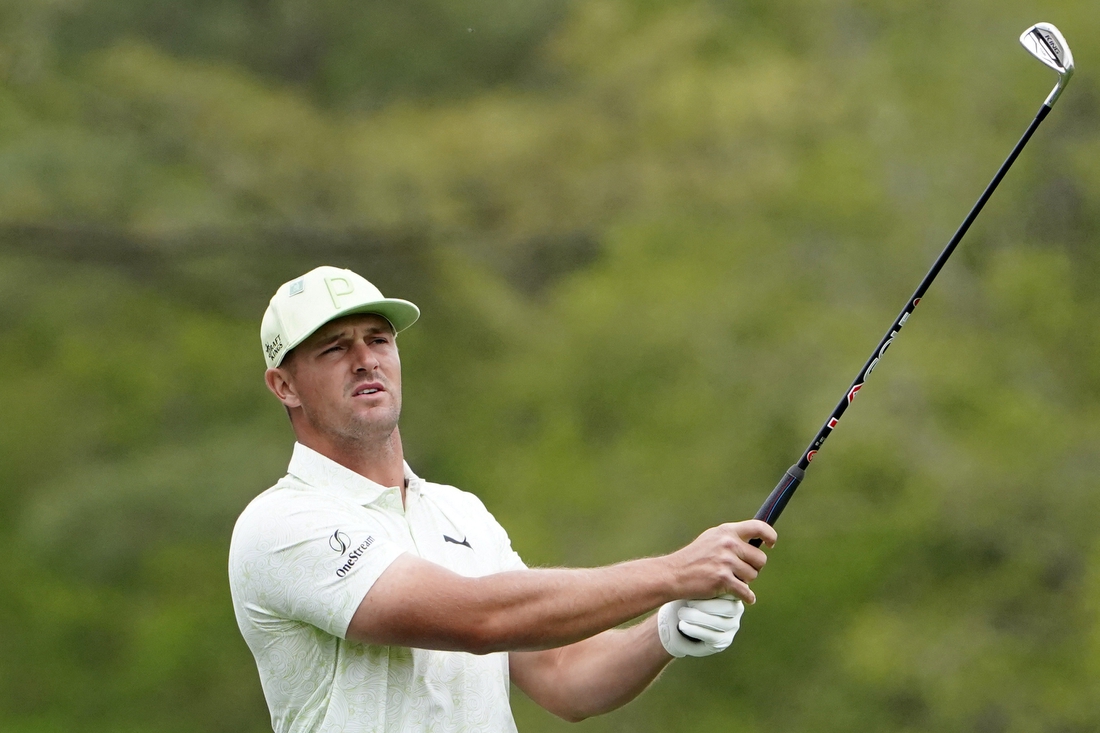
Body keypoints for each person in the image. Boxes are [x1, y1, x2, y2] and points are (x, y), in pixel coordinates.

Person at [229, 265, 777, 733]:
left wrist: (665, 631)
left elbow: (565, 676)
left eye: (378, 339)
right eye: (334, 348)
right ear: (284, 386)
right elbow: (480, 621)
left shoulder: (460, 510)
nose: (366, 359)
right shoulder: (280, 523)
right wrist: (674, 573)